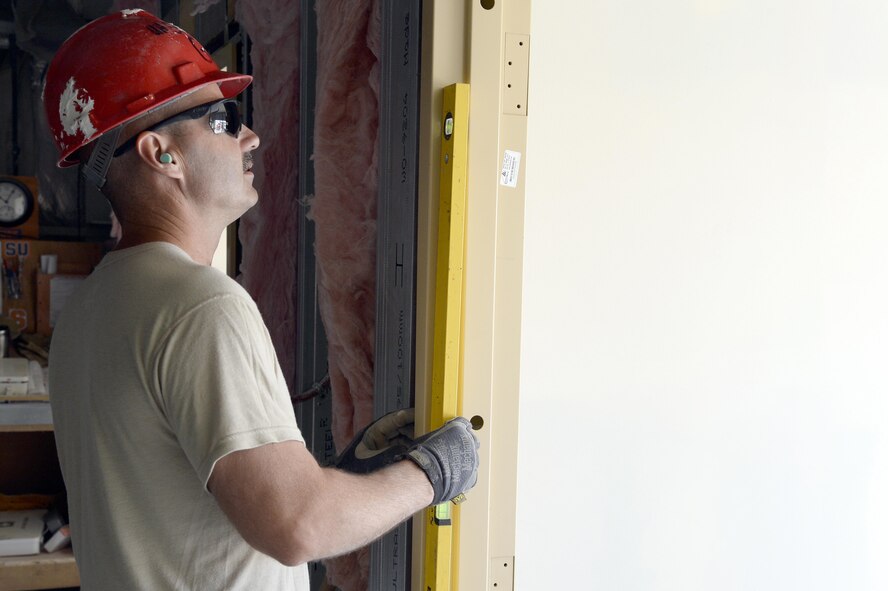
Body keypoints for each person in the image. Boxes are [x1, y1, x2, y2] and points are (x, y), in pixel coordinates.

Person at [43, 10, 479, 590]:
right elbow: (297, 527)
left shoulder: (87, 311)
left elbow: (176, 500)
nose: (250, 136)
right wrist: (435, 472)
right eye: (222, 120)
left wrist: (338, 480)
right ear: (160, 153)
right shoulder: (199, 306)